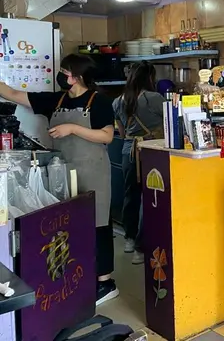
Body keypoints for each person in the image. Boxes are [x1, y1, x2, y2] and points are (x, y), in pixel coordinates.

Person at [0, 54, 118, 305]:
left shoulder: (99, 101)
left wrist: (72, 128)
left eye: (65, 72)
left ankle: (105, 282)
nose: (61, 75)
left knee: (98, 224)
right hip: (62, 172)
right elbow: (12, 94)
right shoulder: (56, 99)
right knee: (70, 225)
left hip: (93, 171)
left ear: (79, 76)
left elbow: (107, 136)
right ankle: (81, 276)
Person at [112, 62, 164, 265]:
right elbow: (172, 121)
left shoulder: (117, 101)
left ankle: (129, 239)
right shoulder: (154, 98)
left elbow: (122, 132)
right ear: (149, 78)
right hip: (151, 151)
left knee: (131, 194)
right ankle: (141, 249)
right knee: (150, 197)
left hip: (128, 151)